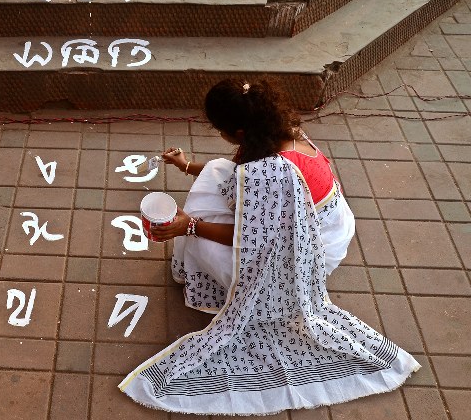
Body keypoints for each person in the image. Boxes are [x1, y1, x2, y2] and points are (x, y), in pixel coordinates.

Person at [119, 79, 419, 415]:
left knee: (198, 236)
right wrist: (186, 166)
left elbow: (253, 239)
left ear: (239, 132)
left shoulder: (270, 173)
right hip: (327, 225)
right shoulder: (282, 131)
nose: (221, 136)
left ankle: (206, 279)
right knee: (216, 169)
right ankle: (194, 242)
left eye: (221, 130)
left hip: (310, 253)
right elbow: (236, 176)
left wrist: (188, 226)